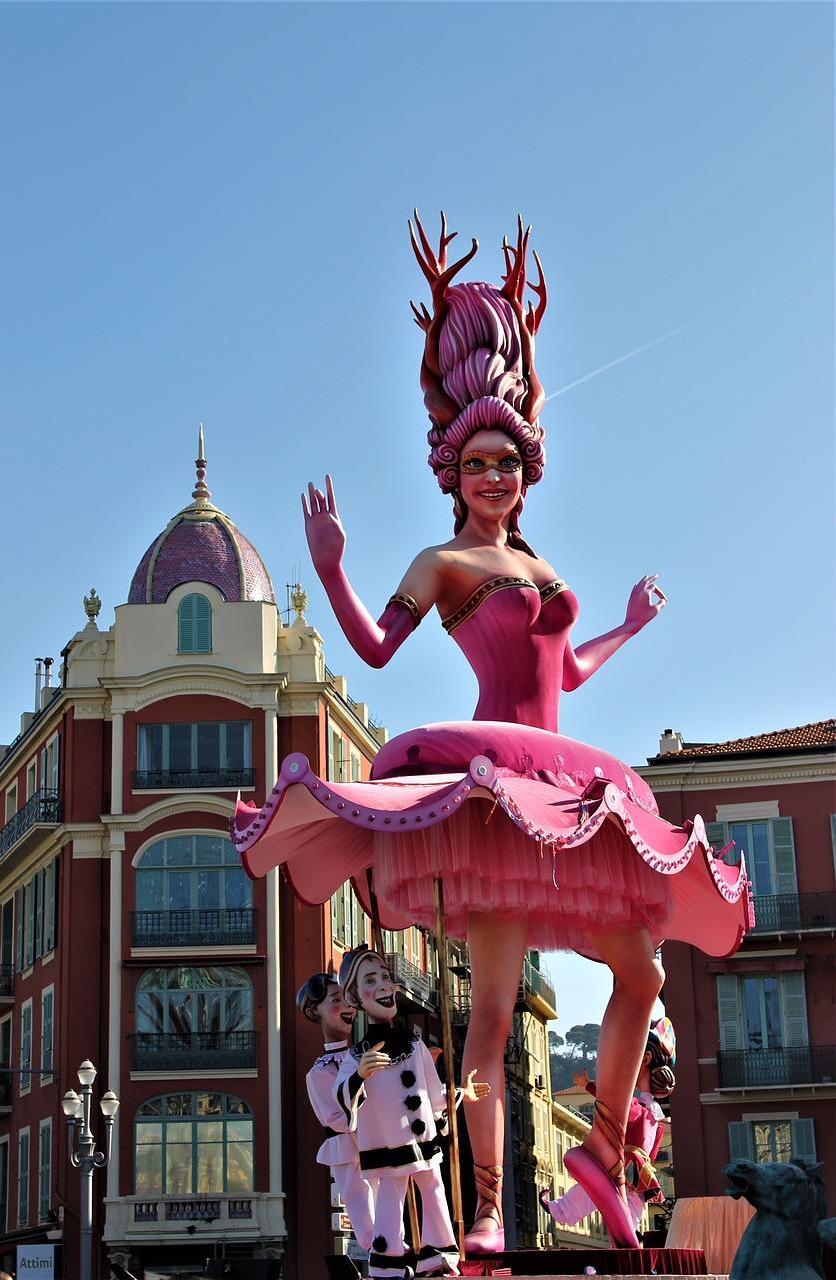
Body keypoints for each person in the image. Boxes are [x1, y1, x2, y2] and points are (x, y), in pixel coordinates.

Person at [233, 213, 752, 1253]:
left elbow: (564, 669)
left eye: (506, 460)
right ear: (450, 468)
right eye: (476, 461)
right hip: (492, 792)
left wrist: (628, 625)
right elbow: (379, 651)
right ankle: (481, 1218)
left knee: (641, 974)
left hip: (562, 789)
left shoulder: (540, 565)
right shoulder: (443, 563)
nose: (492, 475)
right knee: (488, 1016)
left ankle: (601, 1153)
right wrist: (330, 565)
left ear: (526, 467)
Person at [333, 945, 489, 1279]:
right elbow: (341, 1097)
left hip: (423, 1138)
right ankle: (387, 1261)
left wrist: (462, 1093)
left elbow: (434, 1095)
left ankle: (438, 1255)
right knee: (393, 1193)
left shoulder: (414, 1044)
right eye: (370, 980)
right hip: (389, 1143)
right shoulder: (358, 1055)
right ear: (355, 997)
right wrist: (360, 1075)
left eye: (385, 977)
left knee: (433, 1187)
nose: (383, 987)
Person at [541, 1015, 677, 1233]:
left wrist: (589, 1086)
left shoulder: (639, 1106)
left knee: (594, 1185)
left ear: (645, 1058)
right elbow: (651, 1148)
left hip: (626, 1160)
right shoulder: (655, 1115)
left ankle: (563, 1210)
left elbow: (615, 1106)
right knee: (629, 1202)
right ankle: (628, 1232)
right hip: (641, 1165)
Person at [296, 972, 377, 1252]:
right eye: (336, 999)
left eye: (348, 999)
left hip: (378, 1142)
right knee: (365, 1214)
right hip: (350, 1147)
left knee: (390, 1208)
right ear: (313, 1011)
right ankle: (382, 1257)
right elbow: (339, 1118)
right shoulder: (319, 1073)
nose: (347, 1006)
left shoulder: (363, 1054)